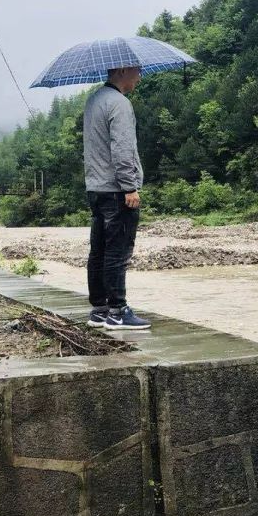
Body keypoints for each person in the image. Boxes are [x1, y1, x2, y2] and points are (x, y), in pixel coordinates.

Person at [84, 65, 151, 329]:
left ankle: (100, 309)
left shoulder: (94, 100)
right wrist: (130, 187)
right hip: (116, 189)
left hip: (96, 188)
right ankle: (118, 311)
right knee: (118, 251)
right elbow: (122, 148)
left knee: (98, 250)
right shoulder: (120, 103)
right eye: (138, 71)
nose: (140, 77)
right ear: (122, 71)